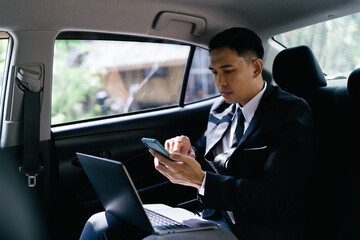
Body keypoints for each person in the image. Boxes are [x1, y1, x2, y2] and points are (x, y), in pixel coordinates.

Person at [80, 27, 316, 240]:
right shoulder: (221, 108)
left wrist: (201, 180)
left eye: (228, 70)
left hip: (252, 230)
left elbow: (281, 200)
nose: (220, 82)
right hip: (207, 216)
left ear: (255, 67)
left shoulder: (289, 112)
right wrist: (187, 151)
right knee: (100, 224)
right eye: (214, 72)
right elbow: (205, 152)